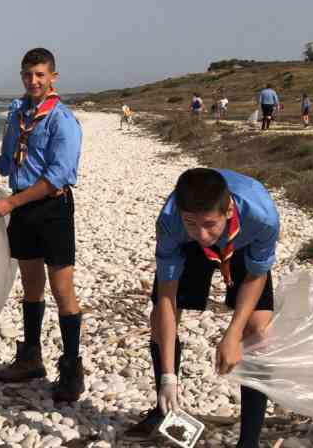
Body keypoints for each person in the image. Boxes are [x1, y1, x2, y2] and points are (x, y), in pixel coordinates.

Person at [125, 168, 278, 448]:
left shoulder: (263, 216)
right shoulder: (172, 220)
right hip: (188, 248)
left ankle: (249, 440)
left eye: (209, 224)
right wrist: (168, 376)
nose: (203, 233)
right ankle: (164, 408)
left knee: (258, 331)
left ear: (228, 210)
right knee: (158, 321)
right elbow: (167, 299)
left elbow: (257, 275)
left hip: (241, 242)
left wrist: (233, 334)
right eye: (192, 223)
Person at [0, 47, 85, 402]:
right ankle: (31, 358)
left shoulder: (62, 120)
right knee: (31, 286)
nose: (33, 81)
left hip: (51, 210)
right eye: (27, 74)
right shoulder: (18, 112)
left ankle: (71, 370)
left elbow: (56, 177)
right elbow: (8, 161)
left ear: (53, 77)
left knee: (62, 290)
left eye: (40, 74)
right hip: (23, 210)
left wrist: (10, 202)